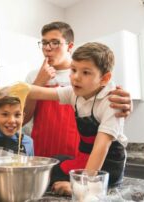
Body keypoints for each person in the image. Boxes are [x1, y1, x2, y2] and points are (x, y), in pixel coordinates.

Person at [26, 42, 128, 195]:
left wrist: (80, 187)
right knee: (51, 166)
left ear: (105, 78)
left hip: (105, 169)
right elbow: (36, 92)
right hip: (84, 160)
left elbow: (101, 148)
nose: (76, 77)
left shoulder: (112, 102)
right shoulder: (74, 93)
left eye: (86, 72)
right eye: (73, 70)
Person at [24, 21, 132, 159]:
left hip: (81, 155)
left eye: (55, 42)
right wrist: (38, 83)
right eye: (44, 43)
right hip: (42, 153)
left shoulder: (90, 75)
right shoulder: (33, 76)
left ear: (70, 46)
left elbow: (112, 104)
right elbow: (23, 118)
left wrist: (127, 103)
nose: (47, 48)